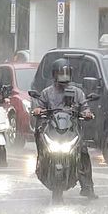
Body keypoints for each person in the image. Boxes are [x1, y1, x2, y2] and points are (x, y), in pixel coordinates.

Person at [32, 58, 98, 199]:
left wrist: (87, 113)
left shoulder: (77, 92)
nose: (63, 76)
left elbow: (85, 107)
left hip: (71, 129)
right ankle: (42, 165)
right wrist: (38, 110)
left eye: (66, 72)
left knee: (83, 152)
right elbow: (40, 106)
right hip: (52, 129)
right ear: (54, 74)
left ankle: (87, 187)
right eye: (61, 73)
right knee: (39, 138)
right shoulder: (47, 92)